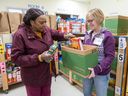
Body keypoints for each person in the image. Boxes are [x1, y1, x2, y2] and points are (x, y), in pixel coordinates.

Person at [11, 8, 74, 96]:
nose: (44, 25)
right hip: (32, 77)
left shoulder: (45, 29)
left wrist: (65, 35)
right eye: (41, 22)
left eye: (45, 22)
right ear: (32, 22)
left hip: (47, 73)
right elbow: (16, 58)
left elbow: (55, 34)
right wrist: (39, 58)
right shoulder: (20, 35)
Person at [83, 8, 115, 96]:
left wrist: (97, 69)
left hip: (101, 73)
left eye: (91, 20)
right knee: (86, 93)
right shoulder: (87, 34)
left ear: (99, 19)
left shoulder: (107, 35)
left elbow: (110, 56)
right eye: (87, 21)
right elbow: (84, 52)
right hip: (87, 71)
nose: (89, 23)